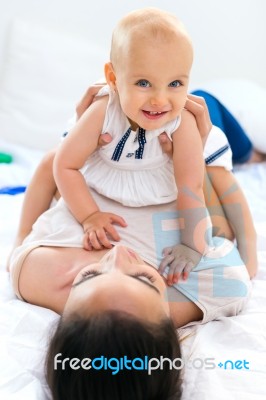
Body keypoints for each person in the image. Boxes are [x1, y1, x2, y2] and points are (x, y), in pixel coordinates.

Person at [8, 82, 254, 400]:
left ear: (64, 317)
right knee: (207, 111)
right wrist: (192, 158)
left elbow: (50, 166)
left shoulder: (37, 272)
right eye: (145, 279)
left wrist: (81, 139)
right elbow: (225, 228)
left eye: (90, 275)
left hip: (115, 143)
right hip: (184, 144)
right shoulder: (213, 291)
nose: (120, 254)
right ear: (171, 326)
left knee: (145, 90)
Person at [53, 8, 210, 283]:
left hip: (159, 198)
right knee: (48, 166)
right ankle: (22, 236)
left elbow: (191, 186)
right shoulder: (104, 109)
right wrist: (90, 215)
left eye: (175, 83)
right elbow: (65, 165)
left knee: (214, 203)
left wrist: (191, 246)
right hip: (101, 192)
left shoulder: (182, 121)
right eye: (143, 83)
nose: (160, 100)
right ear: (113, 79)